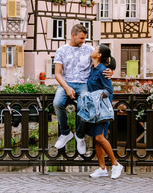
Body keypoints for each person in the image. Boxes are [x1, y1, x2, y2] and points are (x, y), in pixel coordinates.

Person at [53, 24, 113, 154]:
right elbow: (57, 73)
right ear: (73, 35)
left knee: (83, 106)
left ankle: (79, 136)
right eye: (81, 38)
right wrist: (67, 87)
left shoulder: (89, 49)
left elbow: (105, 58)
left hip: (84, 84)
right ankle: (65, 133)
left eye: (85, 38)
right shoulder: (61, 50)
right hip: (66, 83)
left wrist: (111, 70)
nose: (83, 41)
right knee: (57, 103)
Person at [85, 45, 123, 179]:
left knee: (100, 137)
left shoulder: (102, 70)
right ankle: (102, 168)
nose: (92, 50)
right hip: (94, 108)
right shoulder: (92, 68)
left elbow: (109, 90)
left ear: (99, 55)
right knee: (96, 139)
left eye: (95, 49)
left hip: (101, 109)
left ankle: (116, 164)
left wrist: (95, 97)